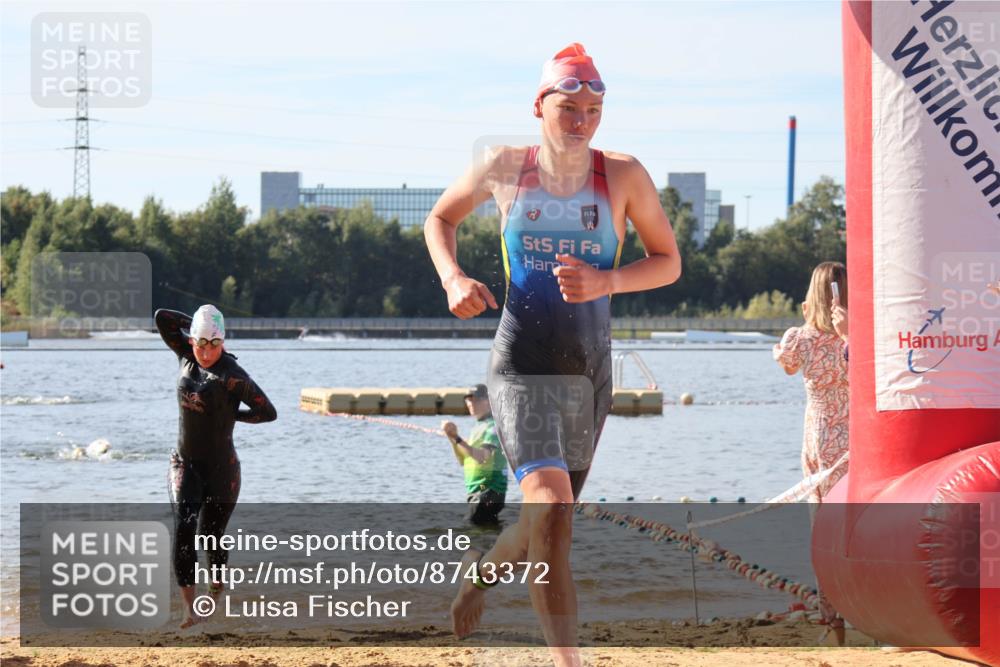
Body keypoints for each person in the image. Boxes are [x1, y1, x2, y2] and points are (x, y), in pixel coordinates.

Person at [424, 43, 681, 666]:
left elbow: (667, 262)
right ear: (539, 106)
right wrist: (453, 279)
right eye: (569, 107)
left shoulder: (622, 175)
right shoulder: (505, 166)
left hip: (589, 373)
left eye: (594, 108)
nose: (582, 120)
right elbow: (439, 219)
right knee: (551, 509)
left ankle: (481, 576)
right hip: (522, 362)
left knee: (549, 526)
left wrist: (609, 281)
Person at [155, 305, 277, 628]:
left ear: (222, 342)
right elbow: (162, 319)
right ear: (192, 339)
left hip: (223, 470)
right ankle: (190, 608)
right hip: (184, 463)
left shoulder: (232, 376)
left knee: (211, 537)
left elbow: (268, 412)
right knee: (184, 529)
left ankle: (216, 587)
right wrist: (194, 324)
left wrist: (232, 416)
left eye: (213, 344)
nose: (206, 352)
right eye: (200, 343)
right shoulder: (185, 353)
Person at [772, 261, 849, 645]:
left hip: (819, 438)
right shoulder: (857, 337)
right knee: (856, 526)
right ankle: (870, 611)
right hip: (857, 435)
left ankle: (833, 623)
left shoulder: (801, 339)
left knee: (823, 532)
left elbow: (786, 366)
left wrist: (805, 323)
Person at [441, 384, 508, 526]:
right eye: (468, 400)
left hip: (488, 492)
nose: (471, 403)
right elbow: (463, 460)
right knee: (484, 534)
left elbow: (482, 457)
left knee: (470, 533)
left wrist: (458, 438)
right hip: (478, 493)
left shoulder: (492, 427)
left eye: (476, 400)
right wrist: (452, 437)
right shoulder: (478, 427)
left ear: (489, 402)